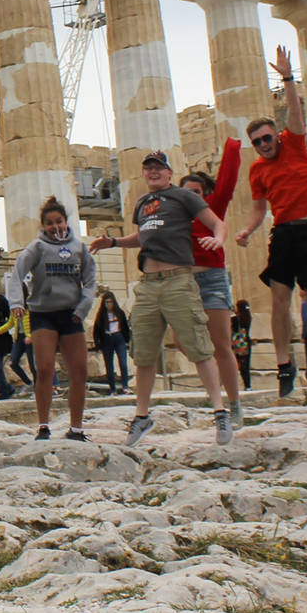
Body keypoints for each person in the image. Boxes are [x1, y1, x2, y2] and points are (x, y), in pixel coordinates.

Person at [91, 149, 235, 447]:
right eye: (148, 168)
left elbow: (217, 223)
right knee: (143, 353)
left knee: (199, 347)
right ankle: (142, 416)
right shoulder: (142, 203)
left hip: (177, 280)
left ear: (169, 172)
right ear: (144, 173)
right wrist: (113, 242)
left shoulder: (183, 196)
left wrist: (218, 239)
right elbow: (144, 237)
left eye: (158, 167)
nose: (153, 172)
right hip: (148, 283)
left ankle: (220, 411)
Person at [235, 47, 307, 402]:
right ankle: (284, 364)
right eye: (256, 142)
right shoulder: (257, 169)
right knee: (279, 300)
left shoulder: (295, 143)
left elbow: (296, 112)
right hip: (284, 232)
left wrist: (288, 78)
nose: (263, 145)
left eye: (266, 138)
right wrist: (247, 230)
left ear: (276, 134)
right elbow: (258, 209)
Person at [10, 197, 99, 441]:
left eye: (59, 221)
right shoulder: (37, 247)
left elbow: (90, 281)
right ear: (43, 225)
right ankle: (43, 426)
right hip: (43, 314)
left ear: (66, 222)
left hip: (71, 315)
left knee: (79, 371)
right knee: (45, 369)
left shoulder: (79, 248)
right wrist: (16, 302)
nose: (55, 227)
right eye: (50, 223)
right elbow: (17, 273)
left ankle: (76, 428)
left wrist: (83, 308)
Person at [182, 141, 246, 423]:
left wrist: (232, 144)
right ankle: (216, 389)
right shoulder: (174, 217)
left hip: (211, 279)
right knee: (184, 342)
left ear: (205, 195)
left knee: (222, 346)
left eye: (196, 193)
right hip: (184, 283)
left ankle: (234, 404)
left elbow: (228, 182)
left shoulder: (213, 208)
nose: (191, 198)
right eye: (186, 193)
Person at [92, 291, 130, 395]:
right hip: (107, 339)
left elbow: (125, 327)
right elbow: (96, 330)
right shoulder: (101, 315)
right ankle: (112, 388)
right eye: (106, 302)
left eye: (110, 302)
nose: (109, 304)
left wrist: (127, 340)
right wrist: (98, 344)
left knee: (123, 363)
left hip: (119, 338)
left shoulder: (119, 313)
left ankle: (125, 386)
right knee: (109, 366)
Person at [230, 300, 255, 390]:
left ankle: (241, 385)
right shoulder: (248, 317)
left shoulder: (236, 318)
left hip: (238, 343)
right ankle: (248, 385)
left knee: (239, 365)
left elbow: (235, 329)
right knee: (245, 365)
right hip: (246, 341)